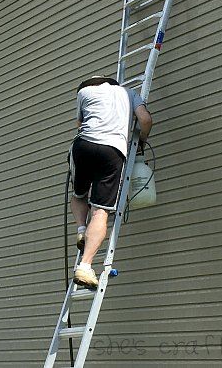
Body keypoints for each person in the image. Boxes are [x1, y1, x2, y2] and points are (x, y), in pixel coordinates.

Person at [69, 75, 152, 288]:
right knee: (100, 211)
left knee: (79, 193)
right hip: (112, 150)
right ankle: (85, 267)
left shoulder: (84, 92)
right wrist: (141, 140)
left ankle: (81, 231)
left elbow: (80, 124)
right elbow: (145, 120)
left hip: (83, 146)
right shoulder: (129, 93)